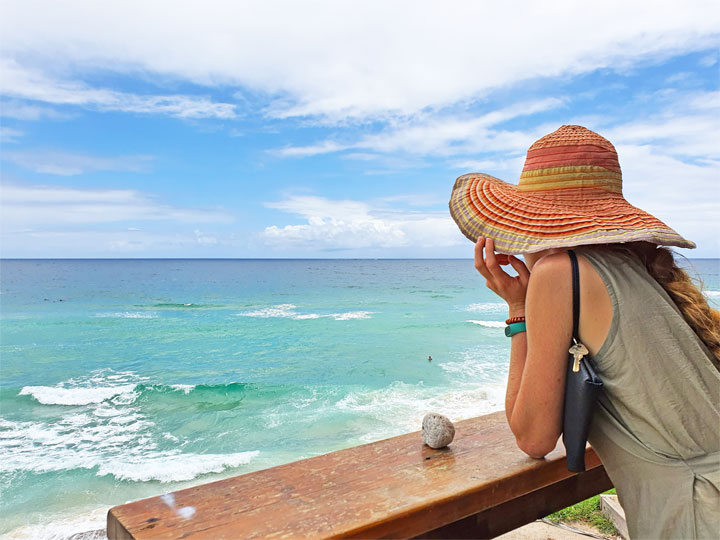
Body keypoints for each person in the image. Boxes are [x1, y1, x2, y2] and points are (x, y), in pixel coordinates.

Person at [449, 125, 720, 539]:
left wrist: (519, 310)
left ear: (535, 220)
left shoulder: (561, 272)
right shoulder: (639, 268)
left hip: (692, 513)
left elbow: (533, 437)